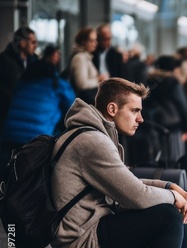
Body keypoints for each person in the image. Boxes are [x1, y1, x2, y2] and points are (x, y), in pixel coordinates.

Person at [50, 77, 187, 248]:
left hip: (95, 226)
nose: (140, 118)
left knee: (169, 210)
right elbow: (136, 196)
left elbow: (125, 181)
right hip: (82, 239)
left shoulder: (93, 133)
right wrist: (172, 197)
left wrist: (167, 187)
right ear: (112, 109)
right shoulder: (92, 142)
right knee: (167, 216)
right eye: (135, 110)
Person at [0, 44, 75, 179]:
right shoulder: (57, 84)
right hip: (37, 140)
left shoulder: (21, 83)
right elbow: (73, 109)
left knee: (10, 180)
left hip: (8, 137)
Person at [145, 55, 187, 166]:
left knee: (157, 159)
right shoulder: (173, 83)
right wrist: (186, 128)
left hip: (153, 125)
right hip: (173, 126)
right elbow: (183, 107)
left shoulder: (150, 81)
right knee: (175, 160)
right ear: (172, 68)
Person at [0, 26, 38, 133]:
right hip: (8, 117)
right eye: (33, 42)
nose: (36, 46)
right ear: (22, 43)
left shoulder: (33, 61)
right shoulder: (6, 62)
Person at [68, 27, 107, 104]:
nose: (95, 43)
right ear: (83, 42)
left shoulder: (86, 57)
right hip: (84, 103)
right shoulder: (79, 58)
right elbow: (82, 84)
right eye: (92, 41)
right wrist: (99, 80)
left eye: (96, 40)